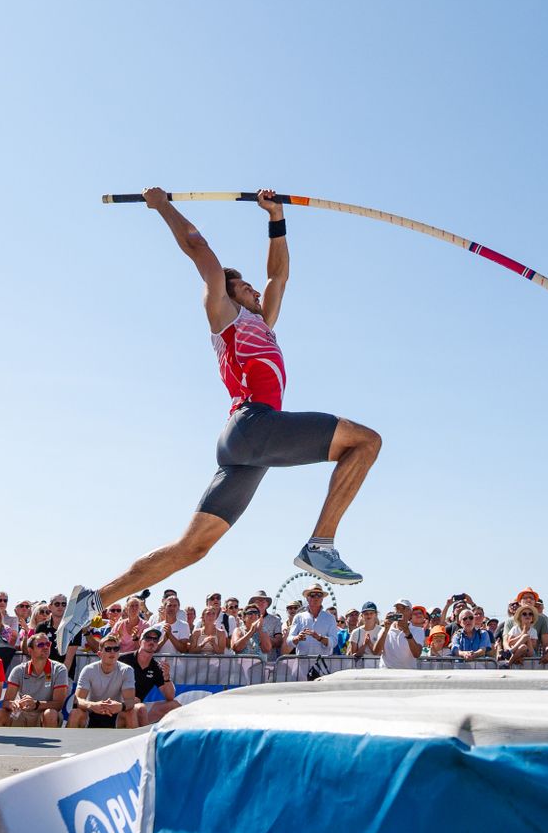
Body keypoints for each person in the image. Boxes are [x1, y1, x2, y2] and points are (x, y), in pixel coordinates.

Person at [60, 187, 383, 645]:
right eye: (241, 284)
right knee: (365, 441)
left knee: (194, 547)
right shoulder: (225, 317)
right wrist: (162, 206)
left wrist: (275, 219)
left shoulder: (263, 323)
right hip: (254, 425)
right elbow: (198, 248)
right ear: (227, 295)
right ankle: (321, 543)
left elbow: (279, 275)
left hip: (249, 445)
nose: (252, 287)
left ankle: (94, 598)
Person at [0, 631, 69, 727]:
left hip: (44, 713)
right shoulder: (18, 670)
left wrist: (36, 704)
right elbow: (6, 702)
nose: (45, 647)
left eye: (47, 644)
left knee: (50, 713)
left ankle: (52, 742)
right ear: (30, 650)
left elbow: (59, 704)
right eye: (40, 645)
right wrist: (13, 704)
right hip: (22, 714)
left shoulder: (59, 669)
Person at [70, 636, 138, 728]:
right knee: (75, 713)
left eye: (116, 649)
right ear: (99, 654)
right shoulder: (88, 670)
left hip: (116, 714)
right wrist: (93, 705)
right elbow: (77, 700)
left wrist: (120, 706)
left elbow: (130, 701)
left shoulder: (127, 670)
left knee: (131, 712)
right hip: (92, 713)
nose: (112, 652)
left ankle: (134, 742)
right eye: (108, 649)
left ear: (119, 653)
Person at [126, 628, 180, 726]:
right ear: (140, 641)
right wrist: (127, 698)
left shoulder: (156, 667)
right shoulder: (124, 659)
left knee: (174, 705)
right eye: (148, 638)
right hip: (119, 702)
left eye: (155, 640)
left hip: (139, 706)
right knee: (139, 707)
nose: (152, 642)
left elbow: (170, 696)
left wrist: (166, 677)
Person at [287, 584, 340, 654]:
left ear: (322, 598)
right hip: (303, 662)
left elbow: (334, 641)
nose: (316, 597)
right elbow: (289, 640)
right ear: (307, 598)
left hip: (322, 663)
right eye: (312, 595)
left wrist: (319, 638)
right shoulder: (298, 617)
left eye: (319, 595)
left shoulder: (330, 618)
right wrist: (297, 638)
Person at [374, 603, 422, 669]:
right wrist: (386, 630)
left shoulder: (418, 630)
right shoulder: (384, 629)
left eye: (403, 608)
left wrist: (407, 632)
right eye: (397, 608)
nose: (399, 611)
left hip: (408, 674)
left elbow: (417, 654)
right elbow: (376, 652)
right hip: (387, 672)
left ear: (410, 613)